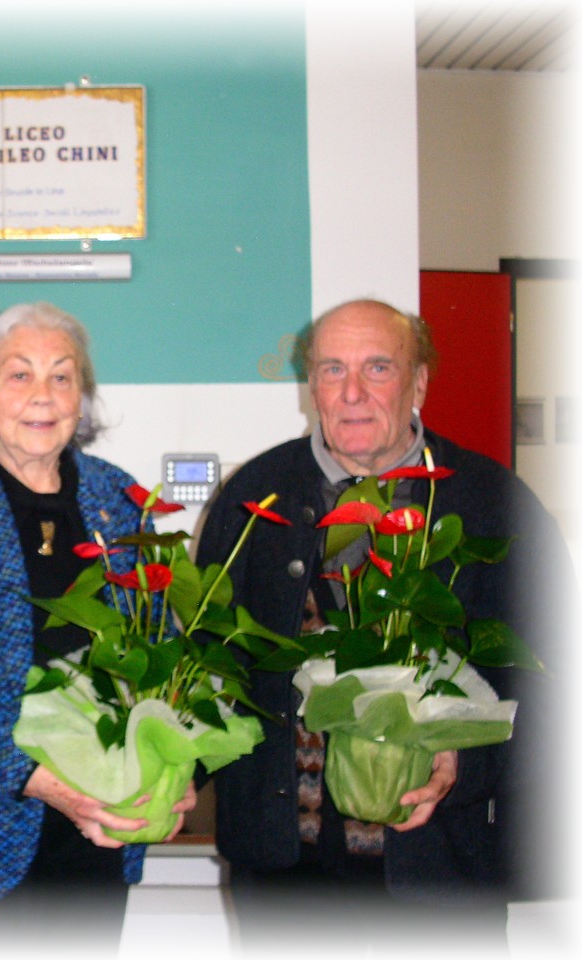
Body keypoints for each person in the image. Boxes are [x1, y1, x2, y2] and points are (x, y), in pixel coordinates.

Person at [196, 299, 570, 948]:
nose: (352, 393)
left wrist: (466, 764)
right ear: (309, 383)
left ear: (419, 381)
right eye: (332, 369)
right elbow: (208, 665)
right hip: (285, 879)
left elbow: (556, 682)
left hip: (441, 875)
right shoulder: (255, 497)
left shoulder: (492, 502)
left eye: (377, 368)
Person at [0, 302, 194, 953]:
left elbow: (163, 653)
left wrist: (175, 768)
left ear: (84, 396)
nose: (42, 396)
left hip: (95, 839)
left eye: (62, 376)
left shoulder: (120, 498)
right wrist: (33, 776)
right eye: (19, 375)